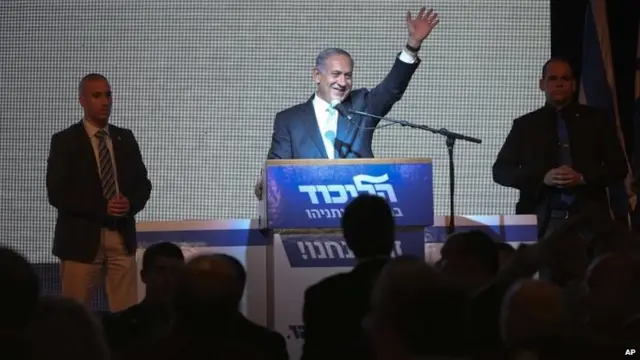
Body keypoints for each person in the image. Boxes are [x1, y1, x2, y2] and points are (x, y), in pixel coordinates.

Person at [256, 6, 439, 198]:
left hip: (360, 214)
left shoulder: (362, 105)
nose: (343, 83)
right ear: (317, 75)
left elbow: (391, 89)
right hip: (307, 215)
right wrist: (267, 182)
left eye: (348, 76)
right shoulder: (289, 120)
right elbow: (277, 169)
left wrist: (412, 46)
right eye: (336, 74)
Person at [46, 73, 152, 312]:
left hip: (121, 236)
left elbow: (143, 184)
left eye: (108, 95)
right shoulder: (65, 140)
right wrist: (101, 206)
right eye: (97, 96)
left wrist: (130, 203)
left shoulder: (125, 137)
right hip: (80, 240)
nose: (105, 101)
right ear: (82, 100)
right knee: (75, 315)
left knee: (127, 313)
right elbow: (58, 193)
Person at [492, 57, 627, 237]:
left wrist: (582, 177)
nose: (559, 84)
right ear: (542, 84)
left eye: (565, 79)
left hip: (589, 221)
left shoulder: (596, 120)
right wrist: (542, 178)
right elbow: (500, 171)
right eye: (553, 79)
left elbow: (618, 168)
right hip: (540, 221)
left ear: (573, 85)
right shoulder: (525, 125)